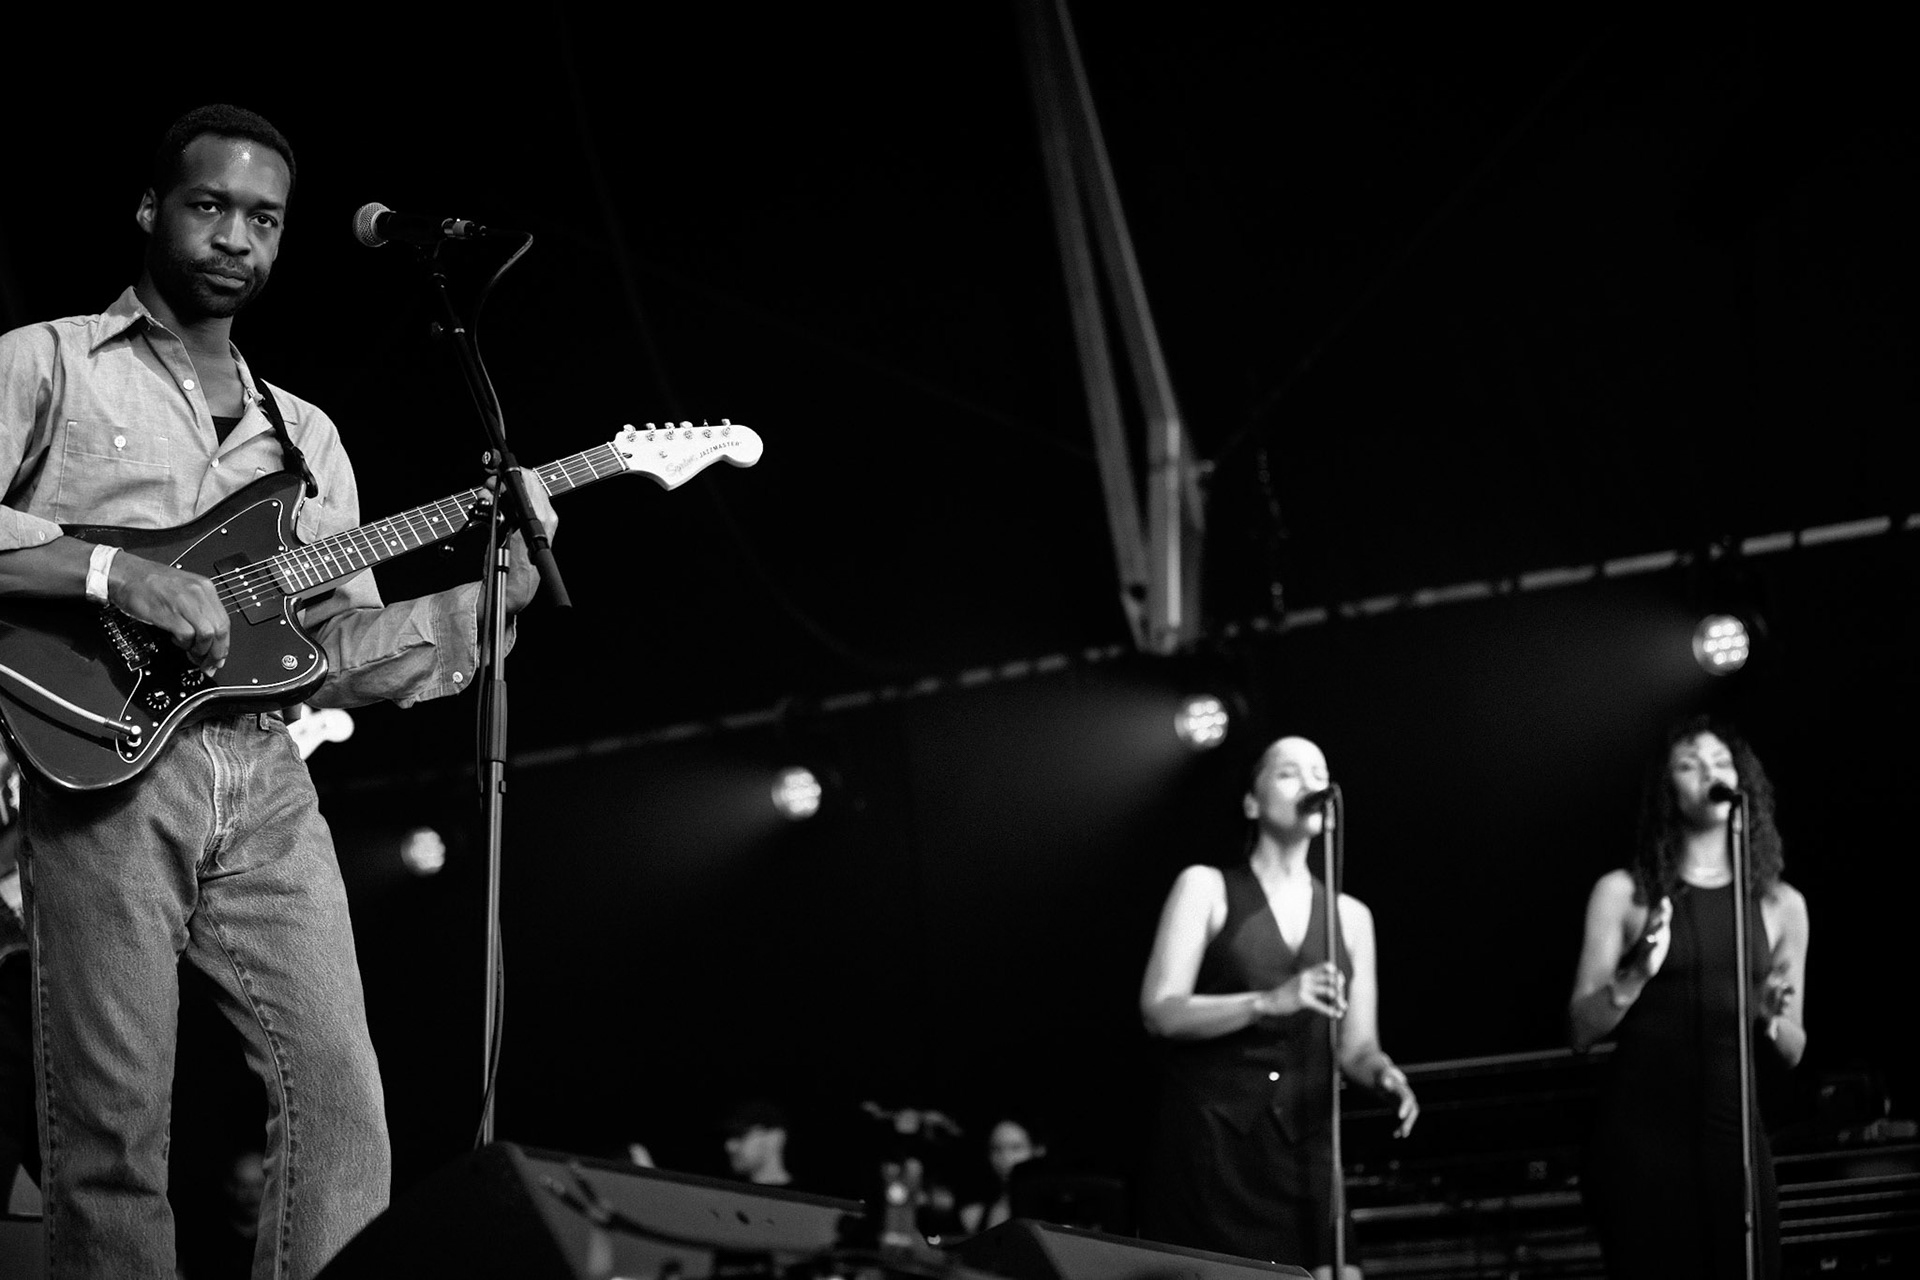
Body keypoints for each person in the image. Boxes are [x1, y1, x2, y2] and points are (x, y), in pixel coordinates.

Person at [0, 103, 559, 1279]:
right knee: (112, 1130)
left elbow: (337, 641)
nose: (235, 237)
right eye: (210, 206)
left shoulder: (303, 434)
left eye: (264, 218)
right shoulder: (40, 360)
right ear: (153, 210)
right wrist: (117, 571)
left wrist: (491, 595)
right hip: (104, 762)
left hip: (263, 773)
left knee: (345, 1101)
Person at [1138, 735, 1418, 1279]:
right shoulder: (1206, 887)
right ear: (1252, 802)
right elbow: (1159, 1010)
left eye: (1319, 771)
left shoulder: (1351, 915)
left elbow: (1358, 1045)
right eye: (1289, 772)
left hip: (1305, 1150)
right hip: (1214, 1144)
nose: (1310, 783)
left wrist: (1384, 1075)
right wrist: (1266, 1001)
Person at [1568, 717, 1808, 1279]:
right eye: (1689, 764)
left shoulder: (1779, 904)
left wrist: (1769, 1017)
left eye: (1721, 762)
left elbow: (1795, 1049)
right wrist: (1635, 973)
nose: (1709, 773)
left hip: (1735, 1145)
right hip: (1642, 1145)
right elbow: (1580, 1027)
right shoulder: (1624, 893)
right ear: (1667, 791)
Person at [956, 1116, 1045, 1236]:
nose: (1005, 1158)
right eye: (996, 1149)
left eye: (1016, 1148)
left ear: (1038, 1151)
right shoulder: (972, 1215)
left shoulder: (1054, 1209)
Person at [722, 1097, 796, 1187]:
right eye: (731, 1136)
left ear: (774, 1138)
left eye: (741, 1135)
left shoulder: (806, 1198)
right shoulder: (728, 1194)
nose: (729, 1146)